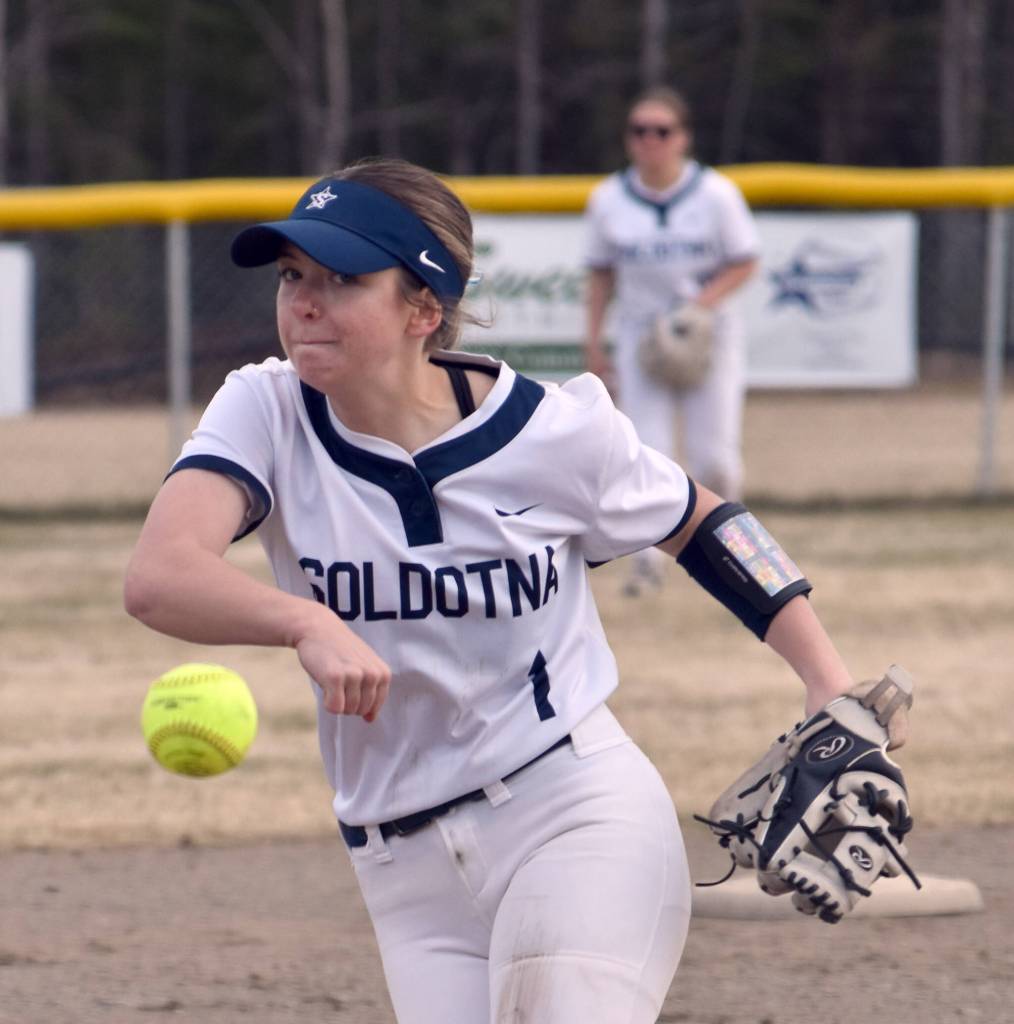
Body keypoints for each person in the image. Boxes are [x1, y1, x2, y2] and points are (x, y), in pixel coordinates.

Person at [124, 157, 857, 1024]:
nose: (303, 302)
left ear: (423, 308)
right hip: (403, 874)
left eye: (342, 279)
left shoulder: (551, 430)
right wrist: (302, 620)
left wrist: (829, 682)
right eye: (292, 276)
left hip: (573, 816)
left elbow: (703, 521)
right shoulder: (267, 410)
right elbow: (160, 576)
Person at [583, 86, 760, 596]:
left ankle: (740, 557)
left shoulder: (715, 194)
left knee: (716, 458)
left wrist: (696, 307)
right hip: (642, 337)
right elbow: (599, 277)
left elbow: (745, 260)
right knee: (646, 454)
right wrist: (594, 343)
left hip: (708, 334)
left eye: (661, 131)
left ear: (682, 137)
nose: (649, 141)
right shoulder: (609, 199)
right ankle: (649, 565)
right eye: (639, 130)